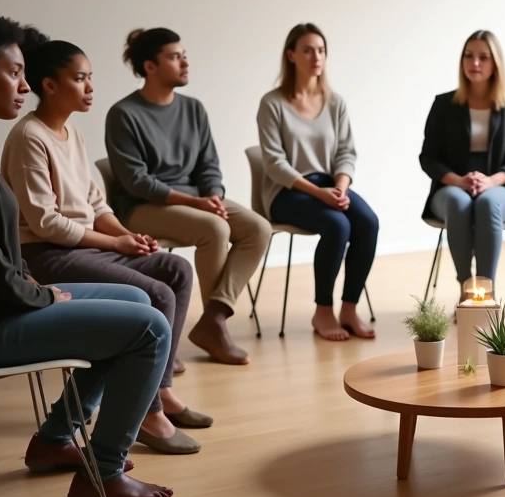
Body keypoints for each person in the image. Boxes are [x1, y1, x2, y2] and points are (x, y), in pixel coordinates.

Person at [0, 15, 172, 497]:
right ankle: (103, 473)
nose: (25, 86)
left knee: (136, 298)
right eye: (14, 73)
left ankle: (54, 439)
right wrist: (43, 294)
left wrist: (28, 283)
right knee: (150, 329)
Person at [2, 27, 212, 455]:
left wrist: (127, 235)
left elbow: (96, 203)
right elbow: (45, 223)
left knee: (176, 269)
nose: (90, 87)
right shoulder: (29, 137)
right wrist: (115, 245)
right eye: (80, 78)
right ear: (50, 85)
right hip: (48, 255)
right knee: (155, 293)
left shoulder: (72, 133)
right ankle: (150, 413)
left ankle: (161, 390)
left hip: (84, 246)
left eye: (90, 77)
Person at [105, 27, 272, 365]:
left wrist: (213, 196)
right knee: (215, 228)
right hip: (142, 207)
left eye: (184, 55)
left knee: (258, 228)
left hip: (196, 200)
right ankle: (203, 333)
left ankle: (214, 319)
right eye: (174, 57)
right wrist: (198, 204)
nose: (185, 63)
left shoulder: (194, 109)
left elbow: (209, 165)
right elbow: (137, 182)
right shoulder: (124, 114)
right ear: (150, 66)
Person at [256, 23, 379, 341]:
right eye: (308, 50)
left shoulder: (334, 102)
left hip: (329, 185)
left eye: (321, 50)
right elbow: (274, 164)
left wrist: (340, 187)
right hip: (287, 192)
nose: (316, 57)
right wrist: (320, 194)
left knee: (368, 222)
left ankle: (349, 309)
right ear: (291, 55)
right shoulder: (273, 104)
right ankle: (322, 310)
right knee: (338, 225)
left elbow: (346, 152)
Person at [419, 30, 505, 296]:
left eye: (483, 57)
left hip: (501, 188)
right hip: (450, 187)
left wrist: (491, 181)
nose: (475, 63)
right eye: (469, 56)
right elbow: (428, 157)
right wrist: (459, 181)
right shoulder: (444, 104)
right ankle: (467, 288)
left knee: (487, 203)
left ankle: (485, 292)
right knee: (459, 203)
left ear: (496, 63)